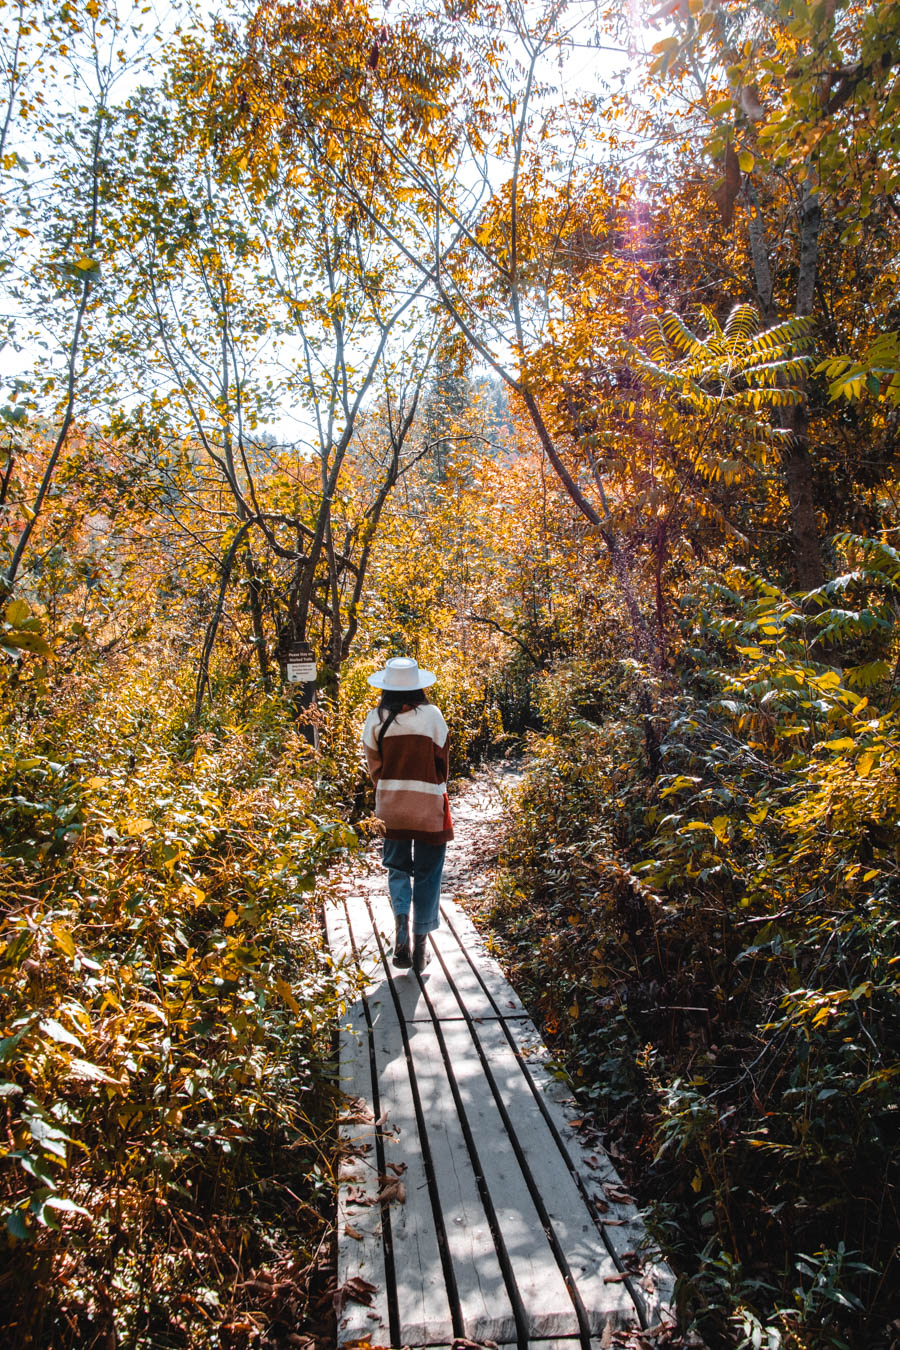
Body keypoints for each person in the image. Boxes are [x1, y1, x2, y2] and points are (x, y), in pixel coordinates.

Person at [362, 657, 454, 974]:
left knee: (397, 868)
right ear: (419, 685)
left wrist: (391, 789)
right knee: (429, 873)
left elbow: (374, 769)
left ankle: (401, 922)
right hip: (429, 805)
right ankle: (420, 944)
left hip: (391, 809)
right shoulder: (433, 716)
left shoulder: (375, 717)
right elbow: (442, 763)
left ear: (386, 687)